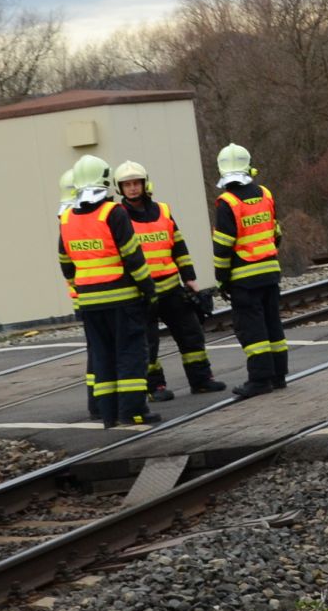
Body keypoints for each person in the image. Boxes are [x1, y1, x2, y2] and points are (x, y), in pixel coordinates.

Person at [57, 154, 158, 428]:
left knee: (101, 357)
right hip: (122, 299)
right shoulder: (113, 213)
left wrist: (81, 288)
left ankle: (109, 414)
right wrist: (149, 290)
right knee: (130, 354)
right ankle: (133, 412)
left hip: (90, 302)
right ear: (105, 179)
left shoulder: (66, 219)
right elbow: (132, 256)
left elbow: (66, 263)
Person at [115, 161, 227, 400]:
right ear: (120, 188)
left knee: (191, 333)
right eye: (127, 185)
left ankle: (201, 380)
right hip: (140, 292)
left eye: (136, 183)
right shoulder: (118, 217)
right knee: (148, 342)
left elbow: (179, 247)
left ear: (145, 184)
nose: (133, 188)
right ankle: (155, 387)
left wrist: (190, 279)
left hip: (171, 288)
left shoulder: (163, 211)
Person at [211, 143, 285, 400]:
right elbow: (276, 234)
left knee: (253, 331)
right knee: (273, 325)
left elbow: (222, 248)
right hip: (270, 272)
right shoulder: (265, 194)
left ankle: (259, 379)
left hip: (244, 278)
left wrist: (221, 279)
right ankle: (278, 375)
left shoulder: (227, 203)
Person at [54, 167, 97, 422]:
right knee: (105, 352)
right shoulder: (80, 219)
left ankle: (97, 403)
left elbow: (66, 264)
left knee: (97, 351)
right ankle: (102, 403)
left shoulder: (67, 220)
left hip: (82, 295)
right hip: (97, 294)